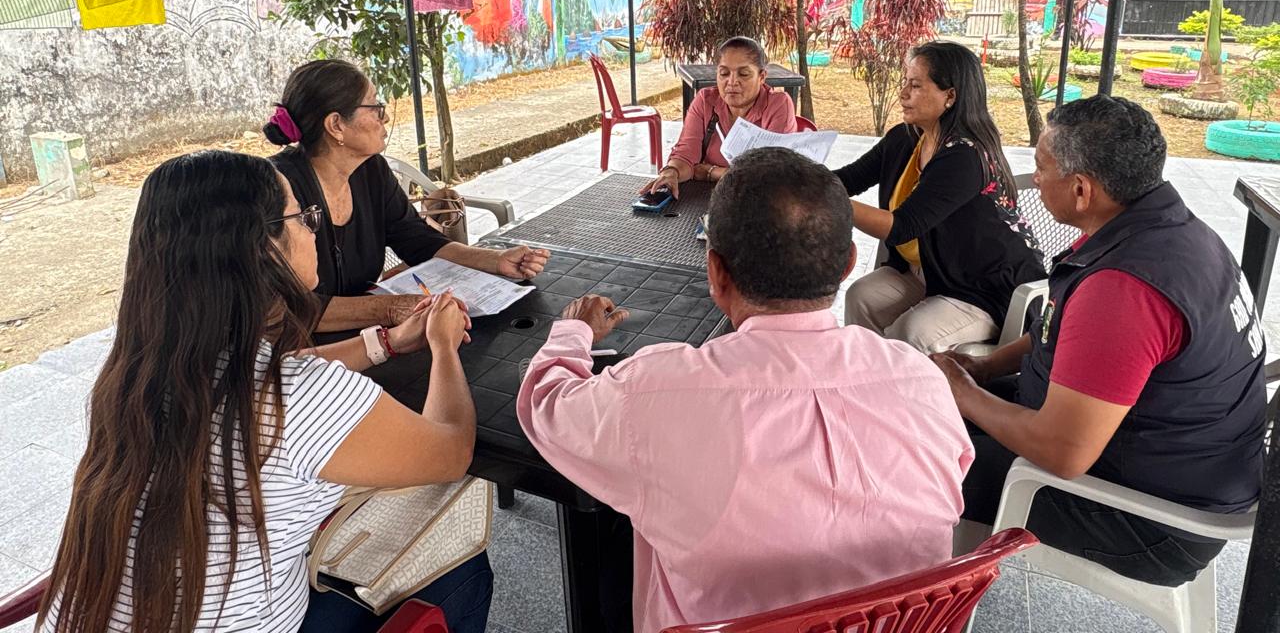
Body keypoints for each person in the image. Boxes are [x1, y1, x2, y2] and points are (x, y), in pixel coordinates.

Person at [518, 147, 973, 633]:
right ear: (848, 265)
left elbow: (546, 405)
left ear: (715, 273)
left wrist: (574, 333)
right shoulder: (922, 381)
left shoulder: (654, 392)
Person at [38, 150, 491, 633]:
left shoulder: (135, 373)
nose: (313, 231)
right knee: (464, 576)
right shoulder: (302, 397)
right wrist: (443, 346)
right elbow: (451, 451)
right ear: (263, 249)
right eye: (303, 218)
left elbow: (267, 375)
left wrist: (385, 343)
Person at [933, 96, 1267, 586]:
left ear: (1082, 190)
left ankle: (911, 598)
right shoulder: (1168, 230)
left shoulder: (1123, 288)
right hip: (1155, 454)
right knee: (927, 409)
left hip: (1152, 521)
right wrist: (985, 368)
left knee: (917, 461)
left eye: (1042, 167)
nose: (1035, 179)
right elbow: (1063, 332)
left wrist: (964, 392)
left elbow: (1063, 453)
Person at [267, 59, 548, 333]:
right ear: (336, 125)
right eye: (375, 107)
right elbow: (285, 309)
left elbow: (418, 240)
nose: (385, 117)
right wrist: (391, 308)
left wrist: (496, 261)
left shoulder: (372, 170)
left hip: (366, 333)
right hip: (300, 349)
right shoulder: (275, 191)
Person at [835, 41, 1044, 352]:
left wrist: (827, 201)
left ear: (950, 95)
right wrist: (789, 178)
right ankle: (868, 376)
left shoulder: (965, 156)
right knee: (861, 296)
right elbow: (848, 179)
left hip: (981, 285)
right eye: (905, 82)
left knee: (911, 332)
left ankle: (907, 383)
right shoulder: (906, 138)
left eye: (915, 85)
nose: (903, 93)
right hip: (932, 270)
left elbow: (902, 226)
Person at [639, 36, 795, 198]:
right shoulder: (705, 101)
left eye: (743, 74)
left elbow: (771, 175)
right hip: (706, 198)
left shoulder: (778, 104)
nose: (732, 82)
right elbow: (686, 154)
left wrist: (712, 172)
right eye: (724, 73)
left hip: (758, 201)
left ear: (761, 77)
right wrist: (672, 171)